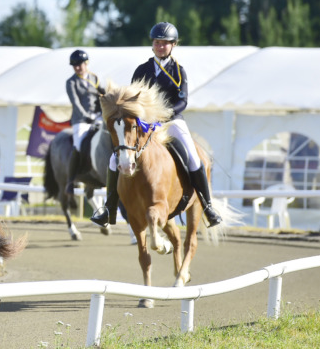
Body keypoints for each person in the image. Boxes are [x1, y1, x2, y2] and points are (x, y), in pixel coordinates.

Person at [90, 22, 222, 228]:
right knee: (113, 159)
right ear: (152, 44)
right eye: (157, 42)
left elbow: (182, 101)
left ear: (173, 45)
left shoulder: (179, 71)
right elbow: (131, 99)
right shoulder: (142, 70)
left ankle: (208, 206)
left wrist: (164, 115)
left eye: (165, 43)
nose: (160, 46)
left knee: (194, 157)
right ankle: (109, 208)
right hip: (145, 123)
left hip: (172, 121)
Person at [64, 49, 105, 195]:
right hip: (81, 120)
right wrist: (88, 116)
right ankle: (71, 180)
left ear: (86, 64)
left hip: (98, 117)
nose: (77, 67)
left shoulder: (94, 78)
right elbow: (76, 103)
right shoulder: (71, 82)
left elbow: (104, 94)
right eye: (74, 65)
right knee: (79, 145)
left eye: (79, 64)